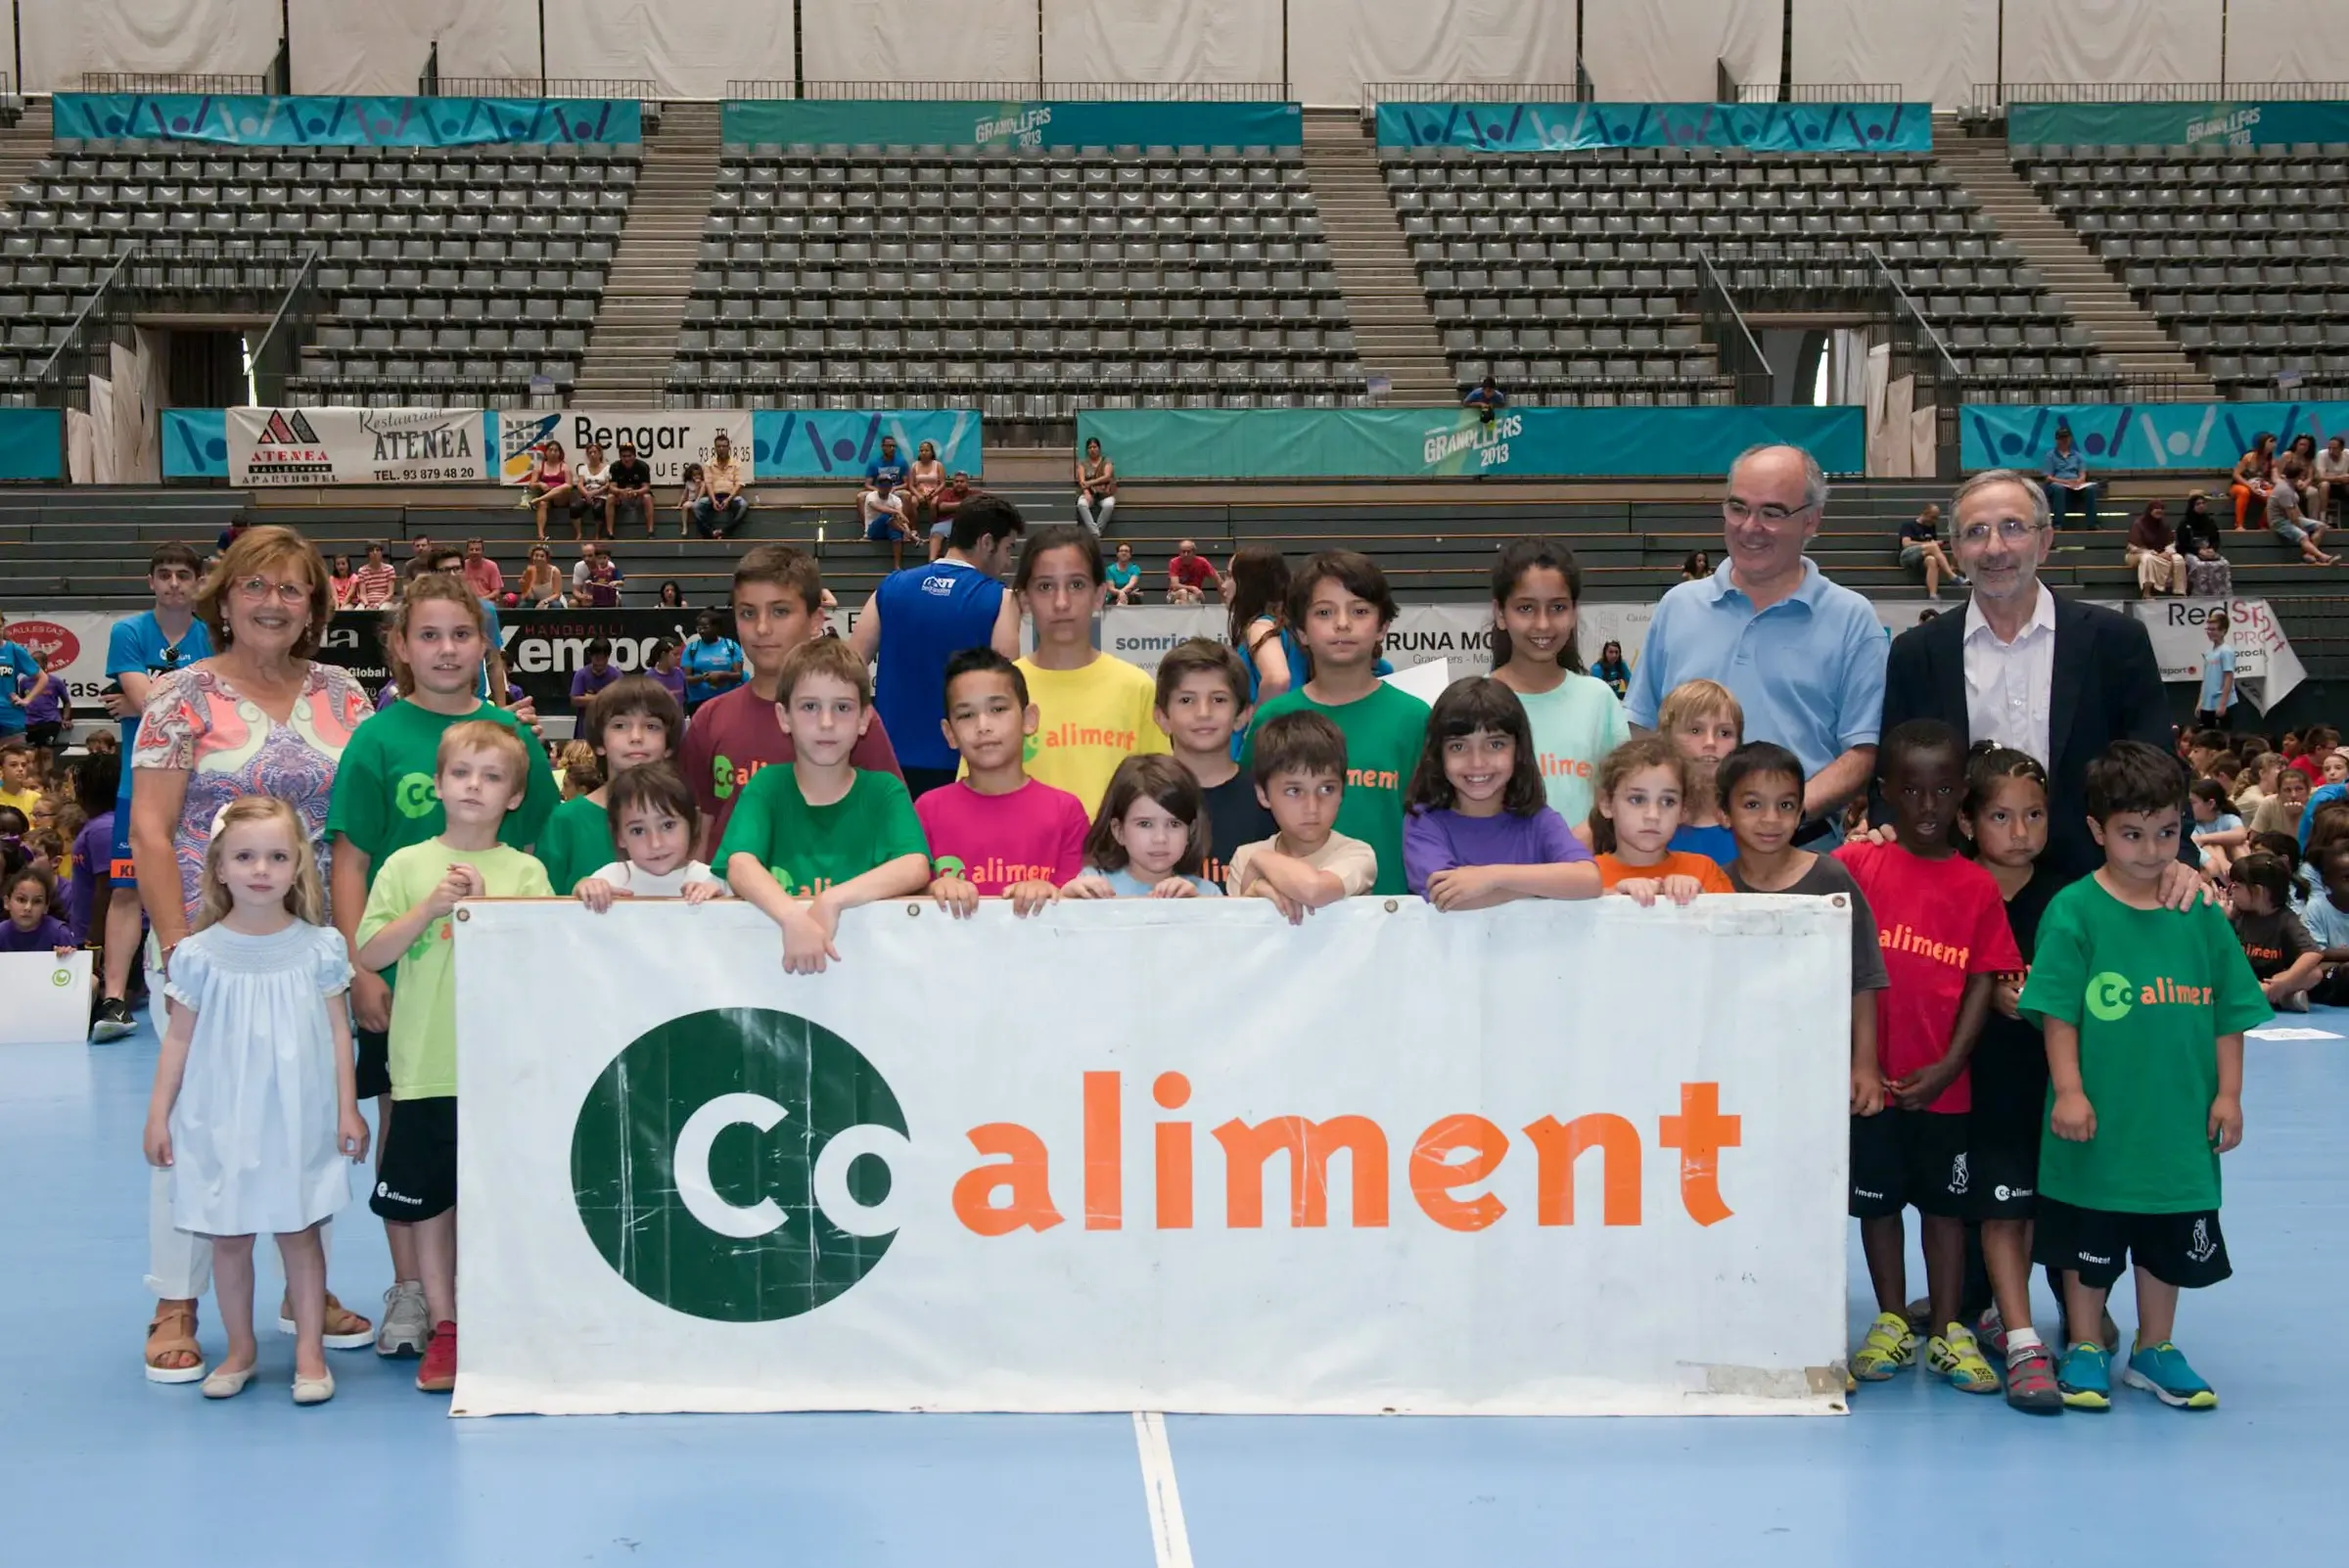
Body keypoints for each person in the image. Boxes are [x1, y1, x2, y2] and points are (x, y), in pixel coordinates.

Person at [128, 528, 375, 1381]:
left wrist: (347, 942)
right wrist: (177, 950)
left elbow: (354, 835)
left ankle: (304, 1294)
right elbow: (153, 833)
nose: (273, 602)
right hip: (210, 947)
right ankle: (178, 1298)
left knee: (311, 1113)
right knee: (200, 1125)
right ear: (223, 596)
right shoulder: (178, 700)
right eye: (256, 586)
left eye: (294, 590)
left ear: (314, 607)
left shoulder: (348, 697)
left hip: (309, 948)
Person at [324, 574, 556, 1360]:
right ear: (400, 648)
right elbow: (351, 857)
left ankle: (484, 1294)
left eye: (462, 634)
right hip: (405, 977)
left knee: (487, 1143)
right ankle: (414, 1295)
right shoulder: (379, 738)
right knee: (407, 1132)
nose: (447, 649)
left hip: (487, 997)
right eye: (429, 635)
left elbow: (541, 846)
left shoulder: (512, 737)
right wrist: (361, 970)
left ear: (484, 644)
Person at [2020, 739, 2263, 1411]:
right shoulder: (2074, 911)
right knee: (2089, 1242)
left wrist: (2229, 1094)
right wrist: (2068, 1090)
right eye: (2132, 834)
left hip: (2178, 1123)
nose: (2153, 850)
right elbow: (2058, 1013)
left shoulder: (2201, 914)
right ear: (2098, 831)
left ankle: (2155, 1347)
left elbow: (2230, 1012)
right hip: (2098, 1121)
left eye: (2167, 832)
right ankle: (2089, 1345)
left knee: (2166, 1241)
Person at [139, 798, 364, 1405]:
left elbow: (340, 1032)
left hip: (298, 1114)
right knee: (230, 1237)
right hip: (220, 1118)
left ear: (297, 869)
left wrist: (348, 1107)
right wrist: (159, 1112)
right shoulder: (198, 956)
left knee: (300, 1233)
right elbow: (179, 1039)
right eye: (244, 856)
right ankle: (240, 1348)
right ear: (218, 867)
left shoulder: (320, 948)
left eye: (276, 856)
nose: (260, 869)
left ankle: (310, 1352)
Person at [1880, 470, 2194, 893]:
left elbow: (2156, 764)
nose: (1995, 548)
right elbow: (1893, 773)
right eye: (1976, 532)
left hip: (2097, 883)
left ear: (2045, 541)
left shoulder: (2116, 641)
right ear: (1955, 550)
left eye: (2012, 527)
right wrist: (1885, 836)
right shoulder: (1916, 653)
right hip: (1955, 889)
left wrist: (2181, 858)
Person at [356, 720, 552, 1395]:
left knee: (494, 1196)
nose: (475, 786)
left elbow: (540, 959)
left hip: (500, 1067)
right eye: (462, 773)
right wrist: (430, 908)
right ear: (437, 784)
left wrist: (489, 911)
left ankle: (496, 1315)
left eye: (492, 777)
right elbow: (372, 953)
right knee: (433, 1203)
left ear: (515, 797)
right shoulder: (406, 865)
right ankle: (447, 1325)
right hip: (426, 1065)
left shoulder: (525, 871)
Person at [1833, 719, 2020, 1396]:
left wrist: (1948, 1065)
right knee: (1878, 1206)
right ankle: (1889, 1318)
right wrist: (1861, 1061)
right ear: (1886, 793)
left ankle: (1946, 1329)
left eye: (1944, 790)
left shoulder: (1976, 887)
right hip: (1870, 1086)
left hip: (1945, 1086)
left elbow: (1983, 980)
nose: (1928, 806)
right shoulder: (1856, 867)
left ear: (1962, 795)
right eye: (1911, 791)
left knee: (1945, 1210)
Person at [1627, 444, 1885, 839]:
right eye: (1738, 508)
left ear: (1811, 521)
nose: (1750, 526)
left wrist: (1777, 817)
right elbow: (1643, 727)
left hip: (1799, 850)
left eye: (1772, 512)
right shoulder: (1678, 606)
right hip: (1680, 849)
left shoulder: (1851, 619)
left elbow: (1863, 752)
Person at [1948, 742, 2064, 1410]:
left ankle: (2069, 1316)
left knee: (2056, 1200)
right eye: (2001, 817)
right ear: (1968, 822)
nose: (2020, 833)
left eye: (2035, 816)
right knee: (1998, 1202)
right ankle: (2017, 1333)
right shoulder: (1958, 888)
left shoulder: (2070, 896)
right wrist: (1983, 990)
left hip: (2054, 1077)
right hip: (1979, 1075)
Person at [714, 638, 932, 974]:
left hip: (868, 973)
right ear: (783, 717)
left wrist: (832, 900)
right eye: (810, 707)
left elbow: (915, 865)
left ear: (864, 719)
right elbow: (740, 864)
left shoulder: (884, 791)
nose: (826, 722)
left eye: (842, 708)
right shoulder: (766, 786)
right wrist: (791, 918)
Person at [683, 546, 901, 856]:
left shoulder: (850, 720)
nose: (761, 628)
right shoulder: (710, 718)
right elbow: (699, 823)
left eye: (780, 611)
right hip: (729, 898)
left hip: (826, 896)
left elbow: (891, 824)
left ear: (816, 621)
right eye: (747, 613)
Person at [1241, 550, 1428, 897]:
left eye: (1359, 611)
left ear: (1383, 626)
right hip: (1290, 918)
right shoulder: (1272, 717)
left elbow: (1435, 825)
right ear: (1301, 631)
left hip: (1392, 918)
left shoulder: (1415, 719)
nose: (1342, 624)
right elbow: (1250, 822)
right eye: (1325, 612)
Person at [91, 543, 212, 1043]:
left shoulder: (213, 634)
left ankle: (205, 992)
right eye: (164, 574)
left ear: (199, 583)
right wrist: (153, 698)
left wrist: (146, 698)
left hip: (204, 785)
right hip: (138, 784)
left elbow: (212, 707)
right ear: (151, 582)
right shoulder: (128, 632)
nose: (174, 583)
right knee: (126, 889)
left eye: (184, 575)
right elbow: (160, 704)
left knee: (208, 887)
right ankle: (115, 1001)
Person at [851, 493, 1025, 799]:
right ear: (987, 543)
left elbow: (847, 667)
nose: (1009, 562)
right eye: (1008, 549)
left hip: (887, 765)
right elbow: (1006, 691)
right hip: (963, 768)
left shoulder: (891, 586)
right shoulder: (1002, 599)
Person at [1008, 528, 1171, 815]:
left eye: (1077, 585)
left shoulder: (1135, 687)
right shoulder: (1003, 690)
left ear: (1099, 595)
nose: (1061, 603)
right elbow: (974, 797)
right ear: (1025, 600)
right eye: (1045, 586)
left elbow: (1160, 794)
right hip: (1025, 859)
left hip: (1114, 858)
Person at [1401, 675, 1598, 907]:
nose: (1477, 762)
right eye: (1458, 746)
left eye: (1495, 745)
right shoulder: (1424, 821)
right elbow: (1451, 899)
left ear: (1519, 750)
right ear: (1437, 754)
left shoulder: (1539, 819)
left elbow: (1589, 881)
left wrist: (1492, 876)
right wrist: (1543, 889)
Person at [918, 648, 1086, 912]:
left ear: (1029, 719)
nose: (983, 725)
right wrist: (930, 891)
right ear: (949, 733)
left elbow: (1082, 904)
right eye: (966, 714)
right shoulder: (927, 810)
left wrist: (1055, 894)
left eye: (997, 709)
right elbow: (905, 903)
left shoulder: (1066, 811)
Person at [1487, 537, 1626, 837]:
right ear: (1500, 613)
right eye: (1525, 608)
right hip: (1495, 877)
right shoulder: (1473, 703)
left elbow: (1624, 795)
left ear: (1574, 612)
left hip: (1584, 875)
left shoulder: (1598, 699)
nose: (1543, 624)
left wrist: (1584, 840)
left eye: (1557, 607)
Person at [537, 675, 680, 897]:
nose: (636, 737)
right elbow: (540, 908)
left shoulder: (685, 818)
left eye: (651, 726)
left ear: (668, 744)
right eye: (620, 725)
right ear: (599, 743)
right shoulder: (565, 821)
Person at [1227, 710, 1377, 921]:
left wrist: (1261, 861)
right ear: (1263, 794)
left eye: (1326, 789)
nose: (1312, 807)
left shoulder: (1357, 854)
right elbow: (1240, 934)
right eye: (1294, 791)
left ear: (1342, 791)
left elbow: (1315, 890)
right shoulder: (1244, 857)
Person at [1154, 639, 1272, 891]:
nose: (1203, 712)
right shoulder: (1140, 797)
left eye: (1218, 700)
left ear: (1242, 716)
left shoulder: (1267, 800)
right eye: (1187, 700)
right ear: (1162, 717)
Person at [1589, 734, 1733, 904]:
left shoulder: (1703, 871)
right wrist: (1610, 900)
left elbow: (1734, 928)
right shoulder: (1586, 877)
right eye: (1637, 799)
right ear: (1607, 804)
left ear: (1683, 811)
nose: (1653, 815)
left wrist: (1701, 900)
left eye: (1668, 802)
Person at [574, 761, 726, 909]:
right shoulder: (609, 879)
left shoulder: (712, 881)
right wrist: (584, 890)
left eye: (668, 825)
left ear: (692, 824)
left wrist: (723, 901)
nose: (656, 844)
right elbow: (572, 916)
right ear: (620, 836)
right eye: (638, 831)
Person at [1066, 755, 1223, 898]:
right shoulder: (1092, 886)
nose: (1160, 838)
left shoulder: (1206, 893)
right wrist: (1065, 900)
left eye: (1174, 824)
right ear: (1118, 830)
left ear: (1191, 830)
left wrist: (1200, 907)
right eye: (1145, 824)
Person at [1654, 678, 1740, 867]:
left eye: (1724, 733)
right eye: (1695, 730)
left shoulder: (1751, 825)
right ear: (1666, 739)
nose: (1710, 742)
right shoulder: (1646, 820)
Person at [2229, 851, 2322, 1012]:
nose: (2231, 891)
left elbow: (2313, 953)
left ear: (2259, 891)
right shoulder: (2237, 914)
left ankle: (2274, 993)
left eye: (2237, 886)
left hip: (2272, 980)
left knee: (2315, 973)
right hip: (2244, 978)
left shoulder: (2286, 920)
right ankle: (2284, 998)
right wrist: (2224, 919)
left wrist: (2286, 980)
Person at [1224, 545, 1293, 729]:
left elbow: (1278, 678)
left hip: (1268, 747)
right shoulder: (1286, 626)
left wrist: (1255, 728)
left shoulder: (1261, 626)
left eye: (1230, 576)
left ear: (1250, 582)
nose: (1223, 585)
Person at [2268, 453, 2339, 565]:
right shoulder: (2284, 490)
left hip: (2291, 517)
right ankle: (2323, 557)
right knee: (2303, 535)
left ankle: (2309, 554)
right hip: (2279, 522)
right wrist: (2302, 528)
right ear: (2297, 476)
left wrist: (2305, 521)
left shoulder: (2291, 486)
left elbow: (2295, 508)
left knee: (2321, 526)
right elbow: (2292, 517)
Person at [860, 435, 917, 569]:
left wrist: (893, 488)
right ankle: (866, 530)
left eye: (894, 446)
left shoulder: (901, 462)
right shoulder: (875, 463)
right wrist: (879, 489)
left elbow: (906, 483)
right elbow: (867, 484)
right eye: (889, 446)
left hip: (895, 489)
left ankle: (898, 564)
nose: (892, 448)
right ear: (883, 447)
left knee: (907, 495)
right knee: (860, 497)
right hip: (879, 490)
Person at [679, 608, 745, 715]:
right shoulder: (691, 648)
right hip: (698, 701)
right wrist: (704, 677)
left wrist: (722, 675)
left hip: (726, 700)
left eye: (705, 627)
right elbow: (687, 678)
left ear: (716, 627)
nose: (701, 631)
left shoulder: (731, 646)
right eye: (699, 628)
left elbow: (738, 675)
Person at [2, 861, 76, 952]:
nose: (28, 907)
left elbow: (76, 965)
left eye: (37, 901)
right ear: (7, 902)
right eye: (21, 900)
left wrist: (67, 955)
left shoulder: (60, 934)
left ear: (46, 907)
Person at [1896, 504, 1960, 601]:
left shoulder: (1931, 527)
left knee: (1932, 560)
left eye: (1936, 518)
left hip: (1923, 556)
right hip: (1907, 556)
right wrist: (1929, 544)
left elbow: (1931, 546)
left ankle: (1933, 594)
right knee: (1933, 546)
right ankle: (1951, 575)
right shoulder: (1908, 525)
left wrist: (1935, 544)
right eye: (1933, 517)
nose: (1934, 521)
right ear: (1925, 513)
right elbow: (1906, 543)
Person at [692, 432, 750, 538]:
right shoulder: (709, 464)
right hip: (713, 496)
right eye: (719, 446)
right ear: (715, 448)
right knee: (696, 506)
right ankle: (711, 532)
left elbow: (739, 484)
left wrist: (728, 500)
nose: (721, 449)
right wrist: (713, 501)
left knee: (743, 504)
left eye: (724, 446)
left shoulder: (736, 463)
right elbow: (708, 484)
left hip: (731, 496)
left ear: (729, 448)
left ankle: (725, 531)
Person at [2042, 422, 2098, 530]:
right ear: (2057, 440)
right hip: (2058, 484)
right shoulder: (2050, 456)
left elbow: (2082, 474)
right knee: (2058, 488)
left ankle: (2092, 524)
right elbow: (2048, 477)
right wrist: (2066, 482)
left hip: (2075, 485)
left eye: (2066, 438)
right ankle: (2058, 524)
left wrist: (2079, 481)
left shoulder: (2078, 456)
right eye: (2061, 438)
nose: (2064, 441)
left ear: (2070, 439)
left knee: (2090, 489)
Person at [2125, 501, 2188, 597]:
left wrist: (2168, 552)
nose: (2159, 513)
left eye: (2161, 511)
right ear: (2150, 511)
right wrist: (2150, 552)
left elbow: (2171, 543)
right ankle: (2147, 592)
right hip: (2137, 554)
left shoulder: (2164, 525)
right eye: (2156, 511)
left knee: (2178, 558)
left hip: (2159, 554)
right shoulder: (2139, 524)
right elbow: (2132, 547)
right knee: (2147, 558)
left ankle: (2179, 591)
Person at [2176, 491, 2231, 597]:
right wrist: (2198, 551)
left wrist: (2212, 549)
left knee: (2224, 564)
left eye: (2203, 503)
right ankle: (2198, 594)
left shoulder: (2210, 521)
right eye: (2198, 504)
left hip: (2208, 551)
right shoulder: (2185, 523)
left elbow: (2215, 539)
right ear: (2192, 506)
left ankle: (2220, 594)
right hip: (2190, 552)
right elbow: (2182, 544)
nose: (2201, 505)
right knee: (2199, 565)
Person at [524, 439, 577, 542]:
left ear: (559, 453)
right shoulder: (540, 466)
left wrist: (555, 488)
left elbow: (569, 485)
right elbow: (531, 485)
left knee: (563, 488)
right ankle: (541, 535)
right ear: (546, 452)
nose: (553, 453)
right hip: (546, 496)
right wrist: (540, 483)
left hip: (561, 498)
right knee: (543, 504)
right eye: (551, 450)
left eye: (556, 450)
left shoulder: (564, 467)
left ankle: (538, 499)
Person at [2194, 612, 2238, 731]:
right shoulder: (2208, 653)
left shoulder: (2226, 651)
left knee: (2221, 740)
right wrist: (2201, 702)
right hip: (2208, 704)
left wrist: (2223, 704)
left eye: (2213, 629)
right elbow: (2206, 680)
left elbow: (2229, 678)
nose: (2210, 632)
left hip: (2222, 704)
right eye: (2208, 629)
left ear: (2223, 631)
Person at [608, 438, 655, 537]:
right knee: (610, 498)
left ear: (634, 456)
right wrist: (621, 491)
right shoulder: (615, 467)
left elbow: (646, 487)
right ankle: (610, 533)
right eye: (624, 456)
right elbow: (612, 487)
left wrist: (636, 492)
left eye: (629, 456)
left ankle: (650, 531)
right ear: (620, 457)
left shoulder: (642, 466)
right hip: (622, 496)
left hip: (638, 496)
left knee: (647, 497)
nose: (627, 459)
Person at [2230, 432, 2276, 530]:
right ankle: (2239, 525)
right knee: (2244, 492)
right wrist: (2249, 486)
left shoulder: (2271, 461)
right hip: (2240, 485)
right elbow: (2236, 474)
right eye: (2271, 442)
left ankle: (2262, 523)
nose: (2274, 445)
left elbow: (2275, 478)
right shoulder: (2249, 457)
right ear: (2263, 443)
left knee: (2273, 495)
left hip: (2259, 487)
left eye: (2275, 442)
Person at [927, 470, 975, 561]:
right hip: (946, 521)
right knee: (936, 532)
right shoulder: (947, 492)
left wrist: (953, 506)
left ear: (967, 483)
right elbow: (942, 507)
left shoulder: (974, 493)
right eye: (956, 481)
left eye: (962, 481)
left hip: (966, 522)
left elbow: (980, 505)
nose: (959, 484)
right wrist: (966, 504)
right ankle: (932, 562)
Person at [905, 439, 947, 539]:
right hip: (918, 492)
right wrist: (918, 495)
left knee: (933, 504)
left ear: (932, 452)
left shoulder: (938, 465)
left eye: (926, 450)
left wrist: (933, 494)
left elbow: (943, 483)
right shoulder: (914, 465)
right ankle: (914, 529)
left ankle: (934, 529)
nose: (923, 453)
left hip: (934, 492)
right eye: (921, 450)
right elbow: (910, 485)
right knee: (912, 502)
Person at [1076, 437, 1118, 534]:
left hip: (1104, 493)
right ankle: (1095, 532)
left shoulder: (1106, 461)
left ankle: (1096, 532)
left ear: (1099, 448)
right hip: (1089, 493)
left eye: (1095, 447)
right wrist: (1086, 492)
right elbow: (1082, 481)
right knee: (1081, 504)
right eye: (1090, 448)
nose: (1092, 450)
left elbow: (1107, 477)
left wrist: (1090, 483)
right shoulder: (1082, 463)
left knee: (1109, 505)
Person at [569, 638, 622, 714]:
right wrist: (606, 698)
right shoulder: (581, 674)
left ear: (608, 657)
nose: (600, 662)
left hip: (608, 721)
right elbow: (575, 701)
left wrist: (588, 697)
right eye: (597, 658)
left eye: (603, 658)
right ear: (591, 656)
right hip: (585, 723)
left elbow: (621, 701)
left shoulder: (616, 675)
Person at [1166, 538, 1221, 605]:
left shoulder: (1202, 562)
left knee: (1181, 602)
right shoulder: (1174, 562)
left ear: (1194, 552)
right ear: (1179, 552)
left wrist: (1223, 595)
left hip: (1194, 594)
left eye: (1188, 552)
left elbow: (1217, 578)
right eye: (1183, 552)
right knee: (1183, 592)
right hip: (1174, 594)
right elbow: (1174, 585)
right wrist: (1192, 588)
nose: (1186, 554)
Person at [350, 543, 398, 609]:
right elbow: (362, 594)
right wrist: (366, 605)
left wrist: (378, 604)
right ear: (368, 554)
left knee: (383, 609)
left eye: (378, 550)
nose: (375, 552)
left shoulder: (389, 569)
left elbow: (390, 593)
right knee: (358, 610)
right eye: (372, 550)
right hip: (367, 602)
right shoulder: (362, 570)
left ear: (381, 553)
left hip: (384, 602)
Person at [517, 543, 565, 609]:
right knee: (523, 605)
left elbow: (557, 594)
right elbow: (527, 597)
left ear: (547, 559)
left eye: (542, 556)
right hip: (535, 601)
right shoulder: (528, 572)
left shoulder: (554, 571)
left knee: (555, 605)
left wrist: (544, 602)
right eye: (536, 555)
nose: (538, 558)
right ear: (532, 557)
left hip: (552, 600)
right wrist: (524, 587)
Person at [2316, 435, 2349, 526]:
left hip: (2343, 485)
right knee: (2324, 485)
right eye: (2329, 448)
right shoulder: (2322, 454)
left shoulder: (2348, 454)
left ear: (2342, 449)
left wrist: (2333, 476)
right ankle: (2322, 519)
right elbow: (2321, 477)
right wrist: (2339, 478)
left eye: (2334, 448)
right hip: (2327, 487)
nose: (2331, 451)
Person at [460, 538, 504, 605]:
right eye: (471, 549)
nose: (474, 552)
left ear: (482, 551)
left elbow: (496, 591)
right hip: (467, 603)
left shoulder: (492, 566)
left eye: (477, 549)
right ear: (467, 551)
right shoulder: (461, 566)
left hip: (486, 602)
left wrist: (481, 600)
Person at [1106, 541, 1143, 607]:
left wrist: (1121, 593)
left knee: (1133, 598)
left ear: (1130, 555)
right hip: (1113, 596)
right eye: (1121, 551)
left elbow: (1131, 584)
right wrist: (1119, 593)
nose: (1124, 553)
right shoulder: (1109, 569)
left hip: (1130, 596)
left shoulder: (1135, 568)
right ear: (1117, 554)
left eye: (1126, 551)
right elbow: (1111, 588)